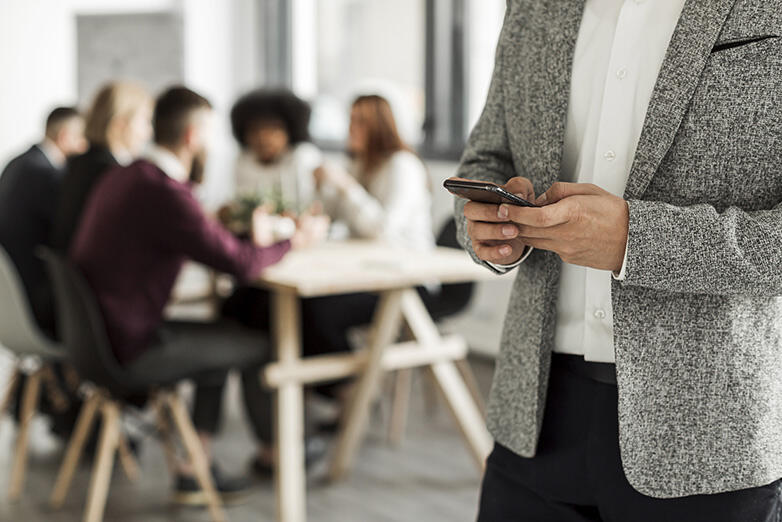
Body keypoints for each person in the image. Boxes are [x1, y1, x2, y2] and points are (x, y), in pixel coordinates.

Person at [455, 2, 782, 521]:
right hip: (532, 415)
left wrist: (639, 241)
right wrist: (486, 225)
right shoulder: (534, 7)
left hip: (709, 429)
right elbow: (485, 159)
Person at [70, 86, 322, 504]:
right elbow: (240, 263)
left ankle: (196, 461)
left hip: (97, 338)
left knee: (222, 333)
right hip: (129, 346)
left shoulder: (127, 174)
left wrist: (231, 230)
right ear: (192, 136)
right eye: (207, 132)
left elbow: (200, 239)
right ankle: (273, 451)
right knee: (259, 346)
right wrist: (295, 239)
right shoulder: (164, 191)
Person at [304, 94, 435, 396]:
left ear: (379, 126)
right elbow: (331, 218)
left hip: (409, 283)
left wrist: (345, 185)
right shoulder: (360, 164)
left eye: (359, 122)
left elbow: (381, 231)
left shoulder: (403, 166)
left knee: (318, 313)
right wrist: (324, 188)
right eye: (350, 121)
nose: (351, 129)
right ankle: (340, 391)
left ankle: (348, 392)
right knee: (303, 306)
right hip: (367, 275)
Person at [0, 106, 86, 336]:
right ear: (66, 137)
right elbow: (69, 234)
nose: (85, 147)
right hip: (36, 301)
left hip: (9, 302)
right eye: (83, 139)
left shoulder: (15, 164)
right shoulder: (47, 176)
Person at [52, 81, 152, 252]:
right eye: (145, 121)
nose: (148, 133)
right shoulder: (112, 174)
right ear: (120, 124)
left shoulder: (79, 163)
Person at [230, 88, 321, 214]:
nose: (263, 138)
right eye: (255, 130)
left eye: (273, 129)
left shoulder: (303, 158)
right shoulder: (243, 161)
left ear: (289, 131)